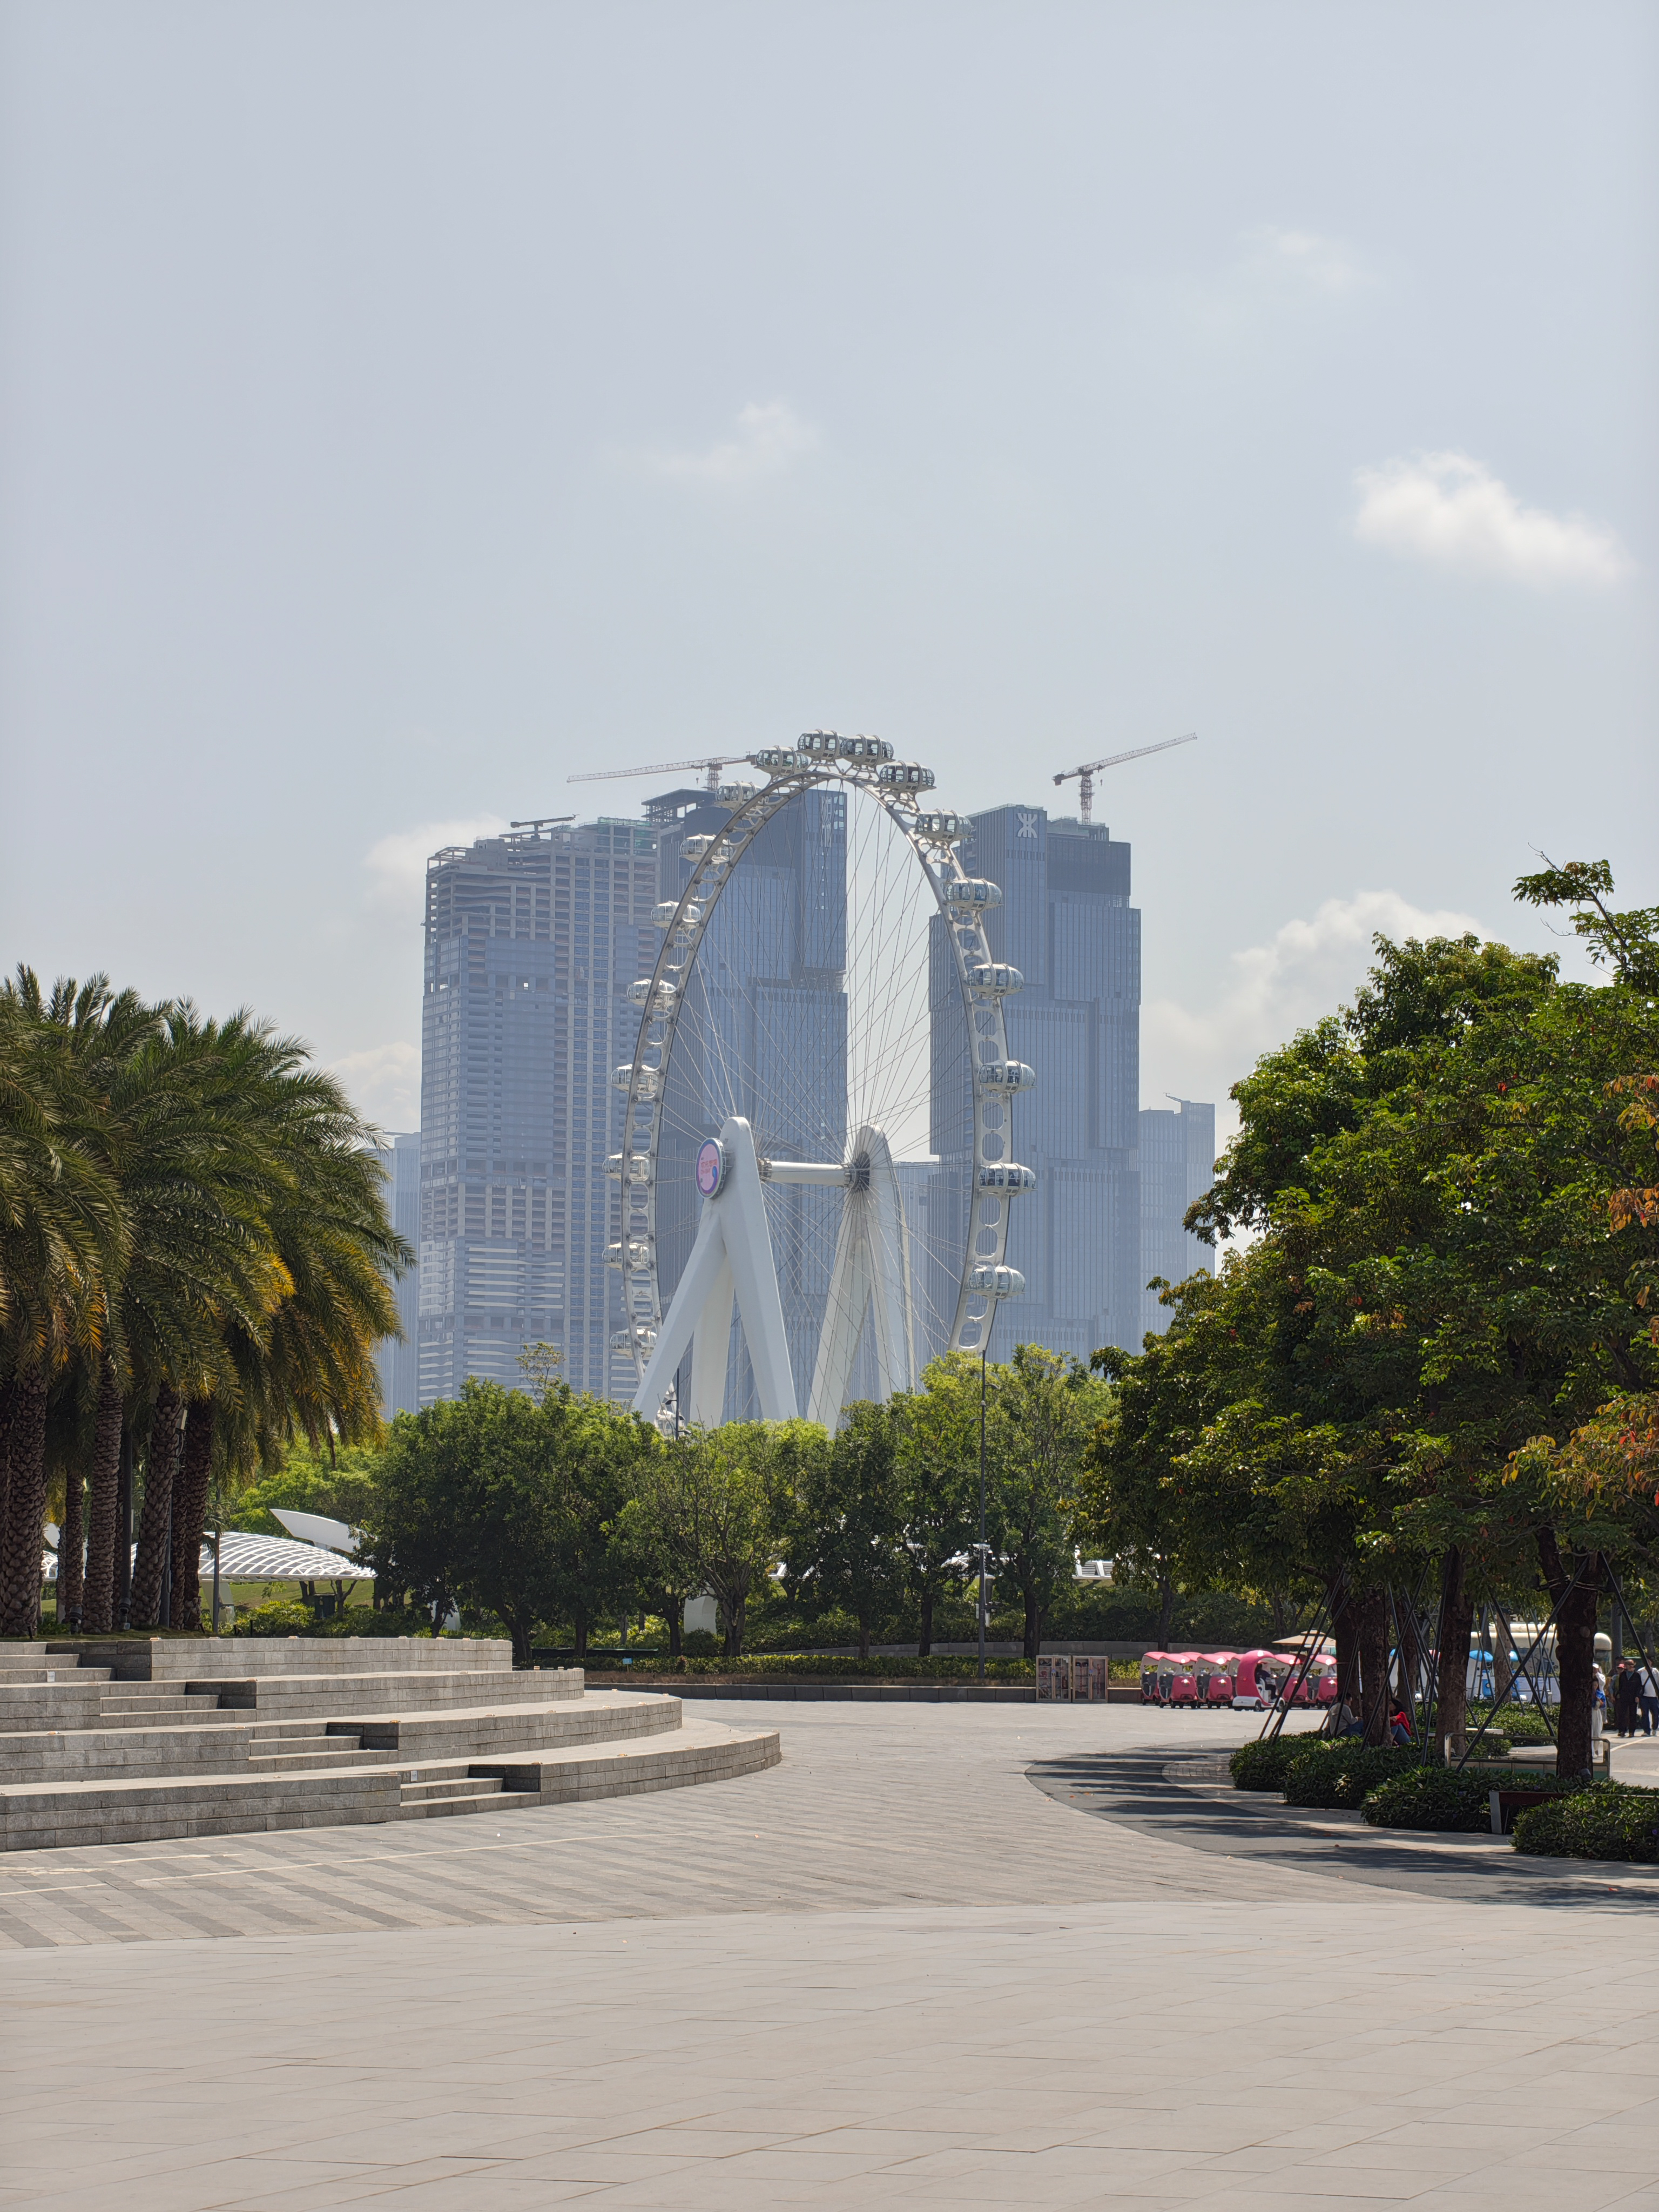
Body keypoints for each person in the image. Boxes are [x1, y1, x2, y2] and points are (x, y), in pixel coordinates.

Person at [1614, 1658, 1640, 1738]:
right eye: (1630, 1665)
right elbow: (1621, 1686)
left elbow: (1639, 1687)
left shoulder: (1636, 1675)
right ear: (1626, 1666)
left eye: (1633, 1665)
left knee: (1633, 1714)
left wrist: (1638, 1696)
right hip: (1624, 1697)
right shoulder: (1623, 1675)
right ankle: (1622, 1731)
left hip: (1633, 1697)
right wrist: (1619, 1694)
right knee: (1623, 1714)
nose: (1632, 1666)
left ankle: (1632, 1731)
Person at [1640, 1658, 1659, 1738]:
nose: (1648, 1663)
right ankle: (1646, 1731)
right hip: (1644, 1696)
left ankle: (1655, 1728)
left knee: (1656, 1713)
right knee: (1645, 1714)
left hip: (1654, 1696)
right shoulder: (1641, 1671)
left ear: (1651, 1663)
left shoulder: (1655, 1671)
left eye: (1649, 1662)